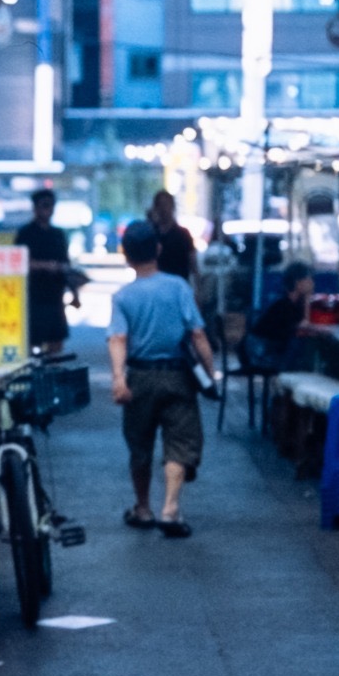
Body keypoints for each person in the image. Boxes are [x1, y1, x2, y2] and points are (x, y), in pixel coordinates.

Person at [108, 219, 217, 538]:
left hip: (139, 377)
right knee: (180, 444)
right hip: (178, 377)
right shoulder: (178, 287)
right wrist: (210, 375)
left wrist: (118, 379)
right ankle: (170, 509)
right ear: (157, 249)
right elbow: (198, 335)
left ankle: (143, 508)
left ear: (126, 255)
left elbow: (118, 340)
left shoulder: (123, 297)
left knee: (140, 445)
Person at [14, 188, 75, 355]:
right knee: (34, 342)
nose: (48, 209)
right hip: (33, 297)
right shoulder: (26, 233)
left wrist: (75, 293)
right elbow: (19, 262)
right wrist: (45, 266)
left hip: (55, 296)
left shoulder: (58, 234)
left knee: (56, 343)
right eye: (44, 205)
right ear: (35, 208)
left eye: (51, 205)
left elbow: (66, 265)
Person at [248, 261, 318, 370]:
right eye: (309, 279)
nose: (312, 283)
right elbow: (303, 326)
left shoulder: (295, 304)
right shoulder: (283, 305)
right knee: (300, 344)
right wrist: (308, 299)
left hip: (269, 351)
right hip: (259, 353)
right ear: (298, 283)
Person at [149, 189, 197, 279]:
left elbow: (193, 262)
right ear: (155, 208)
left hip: (178, 284)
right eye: (160, 205)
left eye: (166, 204)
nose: (163, 209)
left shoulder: (183, 235)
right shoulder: (151, 234)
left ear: (173, 207)